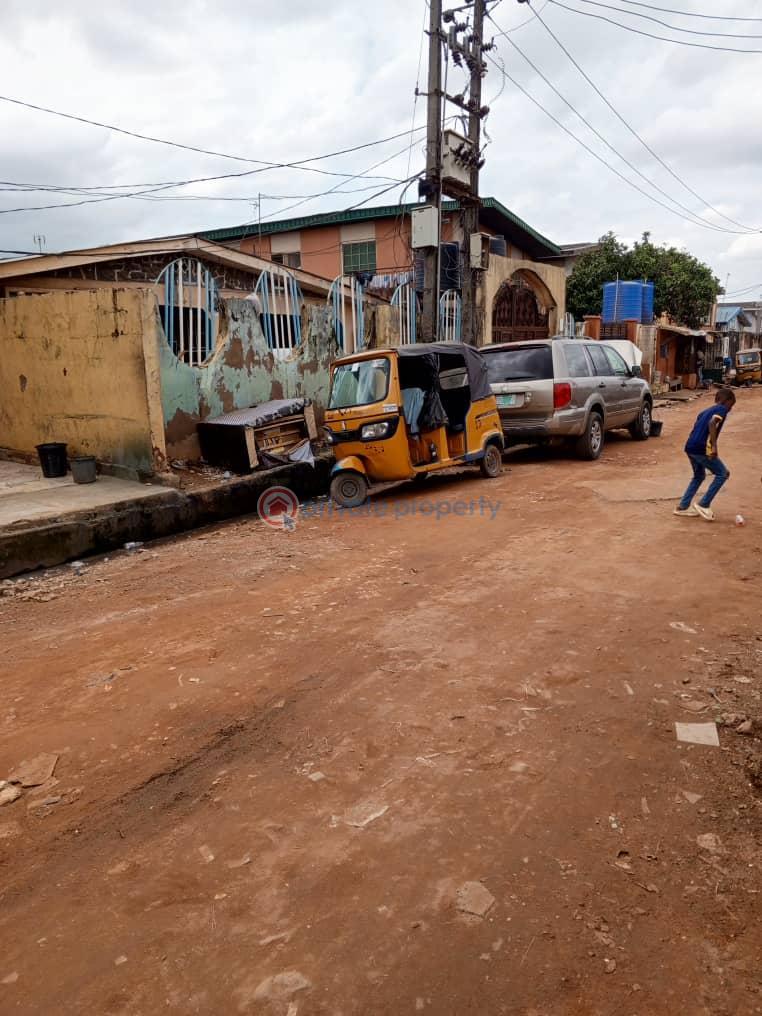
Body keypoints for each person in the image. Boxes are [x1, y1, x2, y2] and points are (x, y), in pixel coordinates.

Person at [674, 388, 736, 521]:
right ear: (727, 401)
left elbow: (697, 427)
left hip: (690, 447)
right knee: (723, 473)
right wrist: (713, 446)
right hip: (701, 449)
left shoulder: (704, 411)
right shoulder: (721, 409)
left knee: (699, 476)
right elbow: (712, 422)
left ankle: (683, 507)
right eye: (731, 405)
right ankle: (704, 504)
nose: (730, 409)